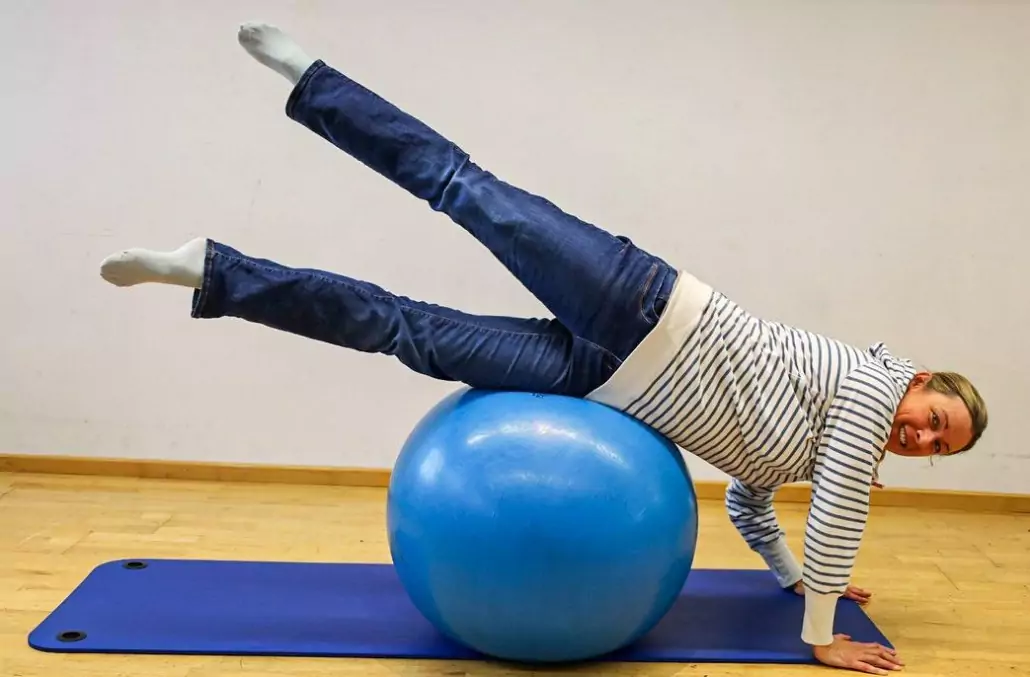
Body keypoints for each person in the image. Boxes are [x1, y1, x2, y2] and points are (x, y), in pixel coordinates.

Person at [99, 22, 987, 676]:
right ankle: (310, 78)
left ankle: (210, 273)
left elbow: (756, 503)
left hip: (601, 383)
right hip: (645, 304)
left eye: (938, 447)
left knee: (404, 331)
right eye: (935, 417)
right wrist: (820, 630)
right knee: (464, 189)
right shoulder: (870, 386)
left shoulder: (833, 436)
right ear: (917, 381)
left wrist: (793, 580)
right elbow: (837, 511)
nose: (923, 437)